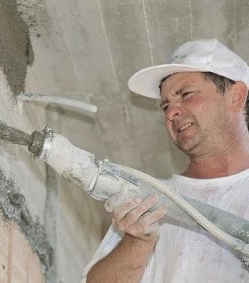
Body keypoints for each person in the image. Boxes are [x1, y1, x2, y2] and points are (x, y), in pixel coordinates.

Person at [83, 38, 249, 282]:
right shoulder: (152, 199)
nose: (172, 112)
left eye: (186, 94)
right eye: (165, 106)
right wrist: (137, 241)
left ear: (236, 96)